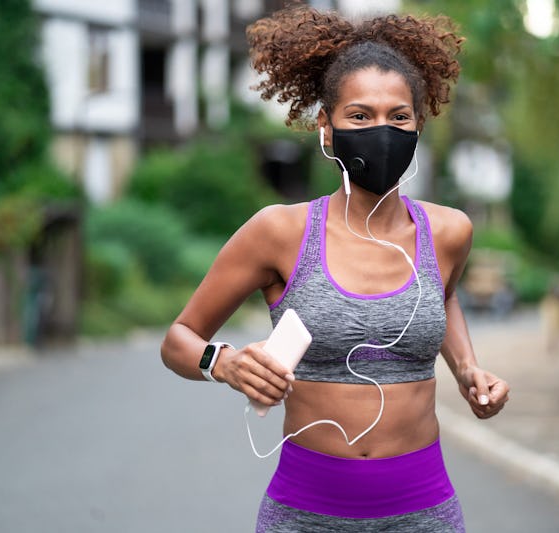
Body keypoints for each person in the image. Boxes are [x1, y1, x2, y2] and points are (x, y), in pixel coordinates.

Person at [161, 4, 510, 532]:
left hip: (424, 513)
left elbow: (442, 296)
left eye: (399, 116)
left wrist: (467, 370)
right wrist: (225, 363)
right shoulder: (280, 231)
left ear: (418, 124)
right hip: (305, 514)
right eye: (360, 116)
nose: (382, 130)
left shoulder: (449, 231)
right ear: (326, 127)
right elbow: (179, 339)